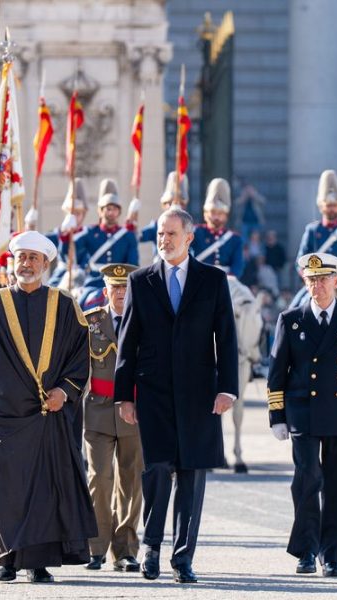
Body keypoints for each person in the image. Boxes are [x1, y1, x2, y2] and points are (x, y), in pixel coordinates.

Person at [0, 230, 96, 584]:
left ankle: (38, 563)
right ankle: (7, 558)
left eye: (34, 258)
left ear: (46, 264)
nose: (27, 264)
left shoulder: (65, 306)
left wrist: (65, 390)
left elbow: (80, 359)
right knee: (4, 490)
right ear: (11, 262)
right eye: (21, 258)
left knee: (45, 493)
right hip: (2, 418)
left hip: (47, 418)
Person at [114, 207, 238, 584]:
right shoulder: (141, 281)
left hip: (199, 394)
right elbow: (127, 342)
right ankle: (151, 548)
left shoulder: (213, 280)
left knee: (191, 474)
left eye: (171, 234)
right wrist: (124, 395)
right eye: (160, 235)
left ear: (189, 237)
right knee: (155, 471)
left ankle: (182, 557)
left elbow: (227, 338)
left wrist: (227, 388)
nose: (164, 240)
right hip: (153, 394)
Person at [267, 252, 337, 577]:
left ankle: (333, 556)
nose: (317, 286)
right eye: (311, 280)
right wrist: (277, 415)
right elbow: (277, 372)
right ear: (305, 282)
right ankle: (306, 550)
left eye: (323, 279)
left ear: (336, 281)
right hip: (302, 412)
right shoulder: (291, 320)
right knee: (307, 480)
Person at [82, 263, 143, 573]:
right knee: (100, 479)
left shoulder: (145, 321)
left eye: (125, 287)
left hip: (134, 411)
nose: (120, 293)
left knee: (131, 483)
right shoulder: (90, 323)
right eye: (114, 288)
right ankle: (95, 547)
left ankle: (126, 550)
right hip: (98, 410)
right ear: (105, 291)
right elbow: (79, 371)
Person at [291, 169, 337, 308]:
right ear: (322, 207)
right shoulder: (312, 230)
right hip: (317, 283)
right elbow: (300, 261)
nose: (332, 209)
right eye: (328, 206)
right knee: (293, 309)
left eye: (335, 206)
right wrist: (308, 278)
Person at [74, 181, 139, 309]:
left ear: (119, 212)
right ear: (100, 211)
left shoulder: (127, 236)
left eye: (115, 209)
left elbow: (133, 264)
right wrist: (68, 232)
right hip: (93, 283)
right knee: (78, 309)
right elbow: (69, 253)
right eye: (108, 209)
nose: (111, 213)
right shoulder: (89, 232)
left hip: (119, 284)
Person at [190, 178, 244, 277]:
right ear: (205, 214)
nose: (216, 217)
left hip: (226, 281)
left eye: (220, 213)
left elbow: (237, 267)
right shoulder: (194, 233)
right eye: (213, 212)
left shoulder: (235, 239)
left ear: (226, 216)